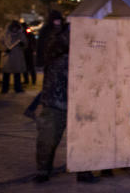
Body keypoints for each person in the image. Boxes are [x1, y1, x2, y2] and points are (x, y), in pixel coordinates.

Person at [33, 17, 98, 184]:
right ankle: (43, 170)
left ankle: (83, 170)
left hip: (80, 100)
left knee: (83, 139)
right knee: (48, 137)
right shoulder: (56, 41)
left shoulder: (88, 46)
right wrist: (74, 32)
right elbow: (55, 47)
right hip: (55, 99)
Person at [24, 10, 63, 120]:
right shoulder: (47, 31)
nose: (58, 22)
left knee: (50, 89)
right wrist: (40, 62)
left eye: (59, 20)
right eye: (56, 20)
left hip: (57, 64)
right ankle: (34, 110)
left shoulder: (58, 30)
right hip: (51, 64)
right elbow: (41, 48)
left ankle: (35, 110)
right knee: (48, 89)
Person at [0, 21, 27, 93]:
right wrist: (4, 48)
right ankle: (5, 89)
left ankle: (18, 88)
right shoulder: (4, 34)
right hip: (7, 56)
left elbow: (25, 43)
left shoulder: (20, 34)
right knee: (6, 74)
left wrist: (23, 45)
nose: (15, 29)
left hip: (17, 56)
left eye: (16, 28)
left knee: (17, 74)